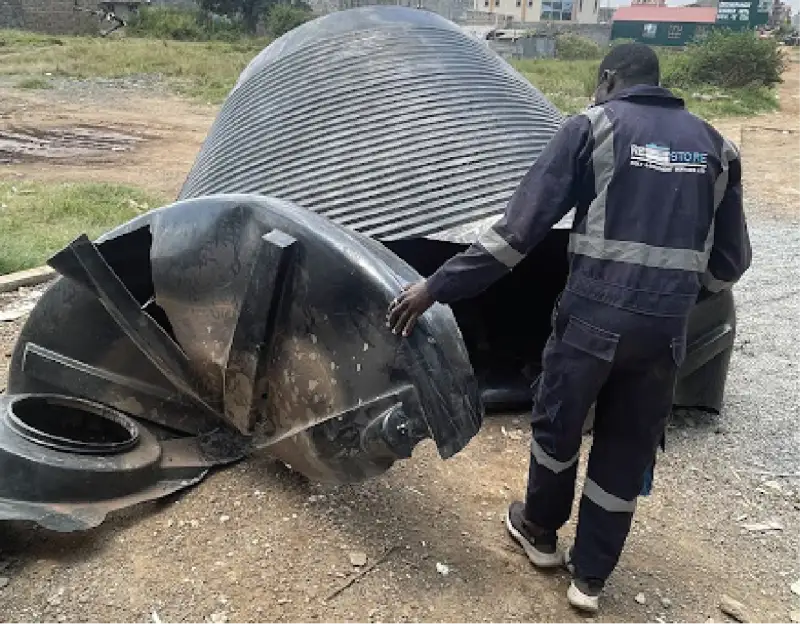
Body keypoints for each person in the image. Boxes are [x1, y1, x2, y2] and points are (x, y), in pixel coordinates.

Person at [386, 43, 751, 613]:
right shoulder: (718, 148)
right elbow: (732, 263)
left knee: (558, 425)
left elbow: (516, 234)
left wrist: (435, 287)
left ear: (608, 80)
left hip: (593, 316)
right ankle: (591, 577)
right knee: (627, 447)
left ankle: (539, 533)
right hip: (665, 329)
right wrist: (673, 294)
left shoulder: (592, 127)